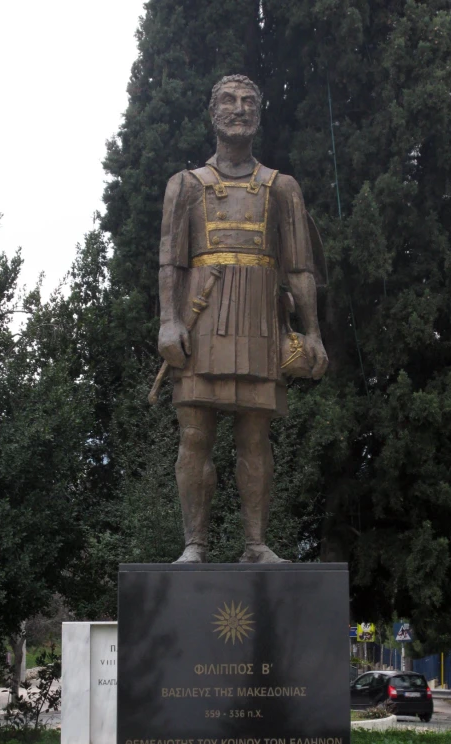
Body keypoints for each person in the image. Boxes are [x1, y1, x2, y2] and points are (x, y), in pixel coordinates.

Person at [157, 74, 328, 564]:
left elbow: (299, 267)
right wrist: (169, 322)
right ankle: (195, 544)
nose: (240, 109)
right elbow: (171, 261)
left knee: (255, 435)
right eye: (229, 101)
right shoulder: (185, 186)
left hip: (259, 321)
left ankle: (255, 543)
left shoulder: (282, 189)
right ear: (213, 113)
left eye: (249, 101)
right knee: (195, 434)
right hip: (200, 319)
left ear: (259, 113)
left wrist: (312, 332)